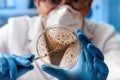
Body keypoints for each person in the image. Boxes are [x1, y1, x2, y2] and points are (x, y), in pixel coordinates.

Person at [0, 0, 120, 80]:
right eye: (53, 0)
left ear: (89, 4)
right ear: (38, 3)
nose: (65, 11)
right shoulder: (12, 31)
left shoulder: (105, 34)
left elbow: (116, 72)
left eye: (76, 0)